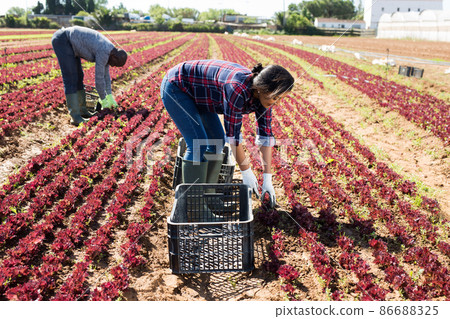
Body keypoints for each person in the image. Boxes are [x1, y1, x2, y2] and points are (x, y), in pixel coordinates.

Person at [160, 59, 294, 208]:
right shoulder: (236, 88)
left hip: (201, 94)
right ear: (262, 88)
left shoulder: (264, 97)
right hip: (178, 87)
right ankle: (194, 206)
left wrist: (267, 178)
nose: (277, 102)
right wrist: (246, 172)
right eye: (276, 97)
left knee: (217, 142)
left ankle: (209, 199)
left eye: (280, 98)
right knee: (198, 144)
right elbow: (233, 137)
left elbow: (266, 137)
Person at [51, 26, 128, 126]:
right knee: (71, 77)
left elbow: (106, 76)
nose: (112, 65)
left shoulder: (111, 52)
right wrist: (103, 99)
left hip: (72, 43)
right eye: (114, 63)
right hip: (63, 40)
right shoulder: (104, 51)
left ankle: (83, 111)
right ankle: (75, 116)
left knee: (79, 76)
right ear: (114, 57)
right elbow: (99, 78)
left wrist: (109, 96)